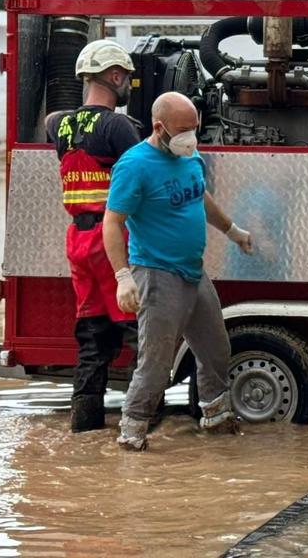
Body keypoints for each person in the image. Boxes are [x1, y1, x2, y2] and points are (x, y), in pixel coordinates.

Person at [102, 91, 254, 451]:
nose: (191, 136)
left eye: (194, 128)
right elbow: (111, 223)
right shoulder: (134, 165)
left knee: (216, 350)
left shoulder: (188, 153)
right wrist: (123, 277)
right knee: (155, 366)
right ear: (159, 127)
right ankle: (132, 435)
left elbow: (200, 195)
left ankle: (215, 419)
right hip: (156, 275)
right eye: (183, 130)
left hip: (192, 272)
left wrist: (232, 231)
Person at [46, 39, 141, 433]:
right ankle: (140, 424)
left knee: (92, 339)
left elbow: (59, 125)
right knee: (141, 333)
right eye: (128, 81)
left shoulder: (57, 125)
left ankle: (84, 429)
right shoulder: (118, 126)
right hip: (112, 240)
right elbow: (143, 173)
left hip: (78, 243)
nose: (128, 89)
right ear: (115, 76)